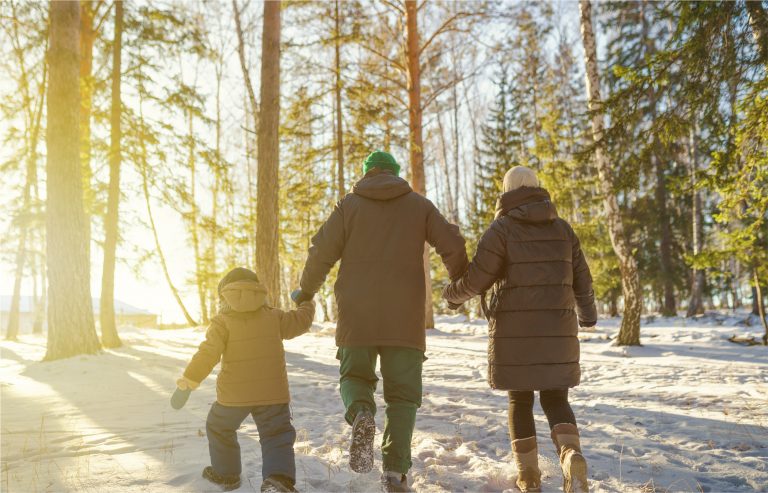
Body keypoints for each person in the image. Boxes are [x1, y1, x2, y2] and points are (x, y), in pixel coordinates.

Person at [291, 151, 468, 492]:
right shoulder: (419, 206)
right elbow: (452, 243)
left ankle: (360, 413)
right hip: (405, 316)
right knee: (403, 396)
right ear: (396, 173)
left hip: (356, 312)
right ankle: (395, 472)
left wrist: (306, 292)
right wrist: (459, 283)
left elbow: (321, 251)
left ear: (367, 173)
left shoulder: (348, 206)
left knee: (355, 375)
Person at [443, 166, 596, 493]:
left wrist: (451, 297)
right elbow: (583, 279)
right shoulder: (563, 230)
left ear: (507, 192)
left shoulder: (501, 230)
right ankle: (570, 457)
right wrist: (589, 316)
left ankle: (528, 478)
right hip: (558, 332)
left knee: (520, 400)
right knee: (556, 398)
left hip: (514, 334)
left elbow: (476, 279)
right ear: (538, 190)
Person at [176, 267, 315, 492]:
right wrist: (306, 302)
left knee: (219, 426)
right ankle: (278, 481)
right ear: (259, 292)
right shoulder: (275, 316)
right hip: (272, 393)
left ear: (224, 295)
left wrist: (189, 380)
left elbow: (207, 353)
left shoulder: (222, 322)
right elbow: (301, 321)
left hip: (234, 395)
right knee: (276, 434)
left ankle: (226, 474)